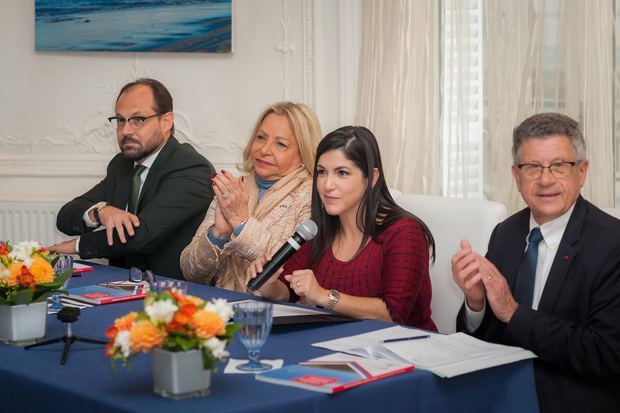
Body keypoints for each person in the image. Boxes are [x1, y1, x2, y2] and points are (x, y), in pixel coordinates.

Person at [451, 113, 620, 411]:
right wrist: (475, 304)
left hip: (573, 397)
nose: (545, 180)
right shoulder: (506, 233)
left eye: (559, 166)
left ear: (582, 172)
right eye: (532, 167)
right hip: (501, 390)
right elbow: (490, 338)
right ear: (516, 176)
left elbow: (605, 353)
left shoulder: (611, 244)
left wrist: (514, 313)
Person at [248, 126, 437, 330]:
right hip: (341, 346)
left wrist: (322, 295)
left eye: (342, 173)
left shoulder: (405, 232)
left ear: (372, 178)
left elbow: (393, 313)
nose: (327, 185)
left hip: (405, 351)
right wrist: (269, 283)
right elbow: (286, 292)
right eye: (322, 172)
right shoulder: (317, 230)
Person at [52, 78, 215, 278]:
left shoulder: (191, 168)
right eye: (120, 120)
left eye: (138, 119)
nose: (125, 131)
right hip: (120, 287)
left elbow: (142, 236)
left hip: (173, 294)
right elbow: (65, 217)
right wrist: (99, 211)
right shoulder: (122, 164)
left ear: (166, 122)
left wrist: (75, 246)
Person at [180, 101, 322, 292]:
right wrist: (218, 235)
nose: (264, 149)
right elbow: (190, 272)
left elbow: (287, 272)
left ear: (303, 152)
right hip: (220, 309)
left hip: (274, 315)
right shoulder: (235, 187)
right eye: (261, 138)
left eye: (280, 144)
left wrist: (241, 222)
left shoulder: (314, 196)